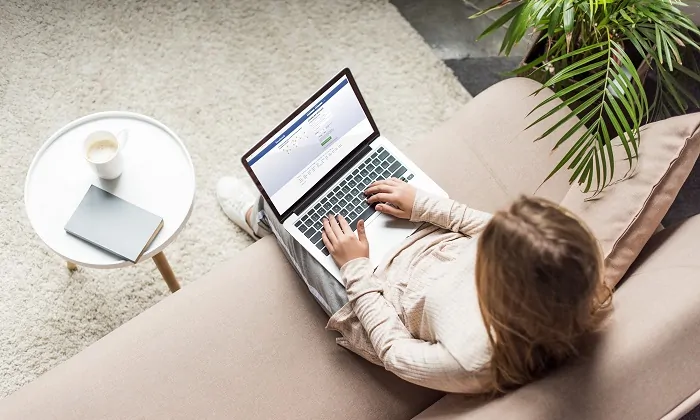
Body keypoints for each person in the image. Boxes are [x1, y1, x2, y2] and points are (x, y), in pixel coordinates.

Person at [217, 175, 612, 394]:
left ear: (497, 285)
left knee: (286, 205)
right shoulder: (567, 265)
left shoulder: (469, 361)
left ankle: (262, 221)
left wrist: (356, 268)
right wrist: (421, 203)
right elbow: (489, 226)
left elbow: (393, 351)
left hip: (376, 301)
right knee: (362, 177)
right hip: (426, 241)